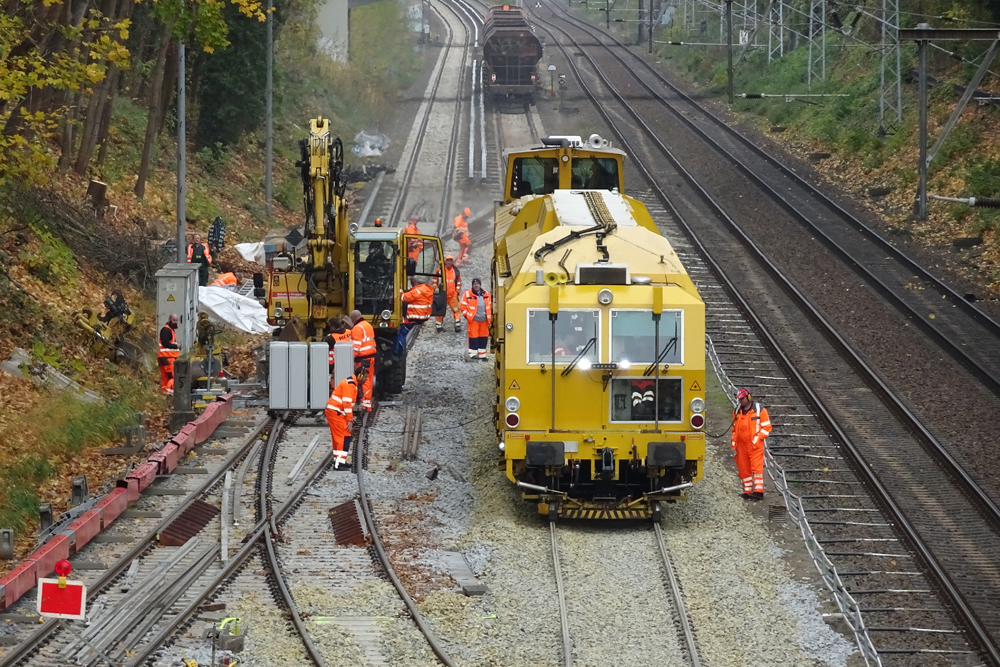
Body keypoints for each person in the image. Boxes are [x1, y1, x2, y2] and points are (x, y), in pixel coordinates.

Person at [731, 388, 772, 500]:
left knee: (756, 469)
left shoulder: (760, 410)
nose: (740, 401)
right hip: (741, 446)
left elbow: (767, 427)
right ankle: (747, 491)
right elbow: (734, 427)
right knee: (743, 469)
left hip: (754, 446)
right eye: (738, 399)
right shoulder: (737, 410)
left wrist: (757, 439)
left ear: (748, 397)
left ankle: (758, 492)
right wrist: (734, 440)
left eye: (742, 399)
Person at [325, 367, 365, 469]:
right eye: (365, 377)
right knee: (344, 437)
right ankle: (339, 464)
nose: (366, 380)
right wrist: (350, 420)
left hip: (335, 412)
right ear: (360, 376)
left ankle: (339, 461)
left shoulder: (351, 382)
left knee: (339, 438)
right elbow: (346, 403)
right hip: (336, 413)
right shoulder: (350, 385)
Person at [394, 276, 433, 356]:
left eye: (412, 283)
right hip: (422, 316)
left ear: (415, 283)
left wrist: (399, 290)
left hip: (415, 316)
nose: (411, 286)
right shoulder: (426, 289)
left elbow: (404, 297)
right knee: (403, 332)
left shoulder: (417, 291)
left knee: (402, 333)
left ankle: (397, 353)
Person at [350, 310, 376, 411]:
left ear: (354, 318)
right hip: (371, 357)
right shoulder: (367, 325)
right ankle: (367, 404)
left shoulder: (357, 328)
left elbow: (356, 347)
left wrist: (350, 358)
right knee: (368, 381)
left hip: (363, 359)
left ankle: (364, 404)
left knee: (363, 381)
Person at [460, 278, 491, 360]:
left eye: (477, 284)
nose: (476, 285)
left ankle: (482, 355)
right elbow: (462, 306)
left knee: (483, 337)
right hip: (473, 320)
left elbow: (490, 306)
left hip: (484, 320)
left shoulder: (486, 294)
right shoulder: (467, 294)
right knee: (473, 337)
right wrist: (467, 316)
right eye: (474, 284)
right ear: (472, 285)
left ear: (480, 285)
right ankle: (473, 354)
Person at [432, 255, 462, 333]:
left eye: (450, 260)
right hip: (442, 294)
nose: (449, 262)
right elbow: (434, 280)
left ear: (452, 261)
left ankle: (457, 325)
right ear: (445, 261)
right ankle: (439, 326)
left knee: (456, 309)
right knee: (439, 310)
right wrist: (435, 288)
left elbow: (458, 283)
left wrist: (457, 292)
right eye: (447, 260)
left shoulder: (456, 271)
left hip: (452, 294)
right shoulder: (439, 270)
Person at [325, 318, 354, 386]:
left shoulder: (331, 338)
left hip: (335, 362)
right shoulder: (349, 332)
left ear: (333, 327)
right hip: (351, 359)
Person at [158, 314, 180, 394]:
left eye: (176, 320)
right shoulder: (166, 330)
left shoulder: (170, 330)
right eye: (174, 320)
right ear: (169, 319)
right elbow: (165, 343)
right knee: (174, 377)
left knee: (165, 379)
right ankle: (169, 393)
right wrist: (176, 346)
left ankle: (163, 393)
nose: (175, 322)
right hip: (168, 358)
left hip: (164, 357)